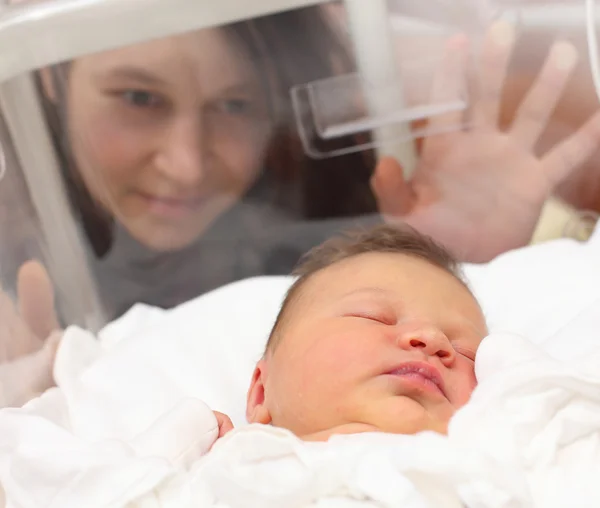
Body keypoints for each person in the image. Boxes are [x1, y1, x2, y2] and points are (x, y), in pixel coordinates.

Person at [3, 3, 600, 402]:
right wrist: (33, 396)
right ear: (51, 76)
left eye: (235, 106)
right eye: (139, 98)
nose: (185, 162)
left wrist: (455, 266)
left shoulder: (343, 181)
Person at [245, 224, 486, 440]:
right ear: (262, 392)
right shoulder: (227, 466)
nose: (431, 338)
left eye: (467, 353)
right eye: (371, 316)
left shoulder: (499, 475)